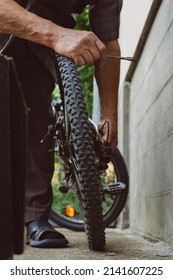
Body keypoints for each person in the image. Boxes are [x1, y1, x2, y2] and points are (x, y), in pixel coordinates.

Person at [0, 0, 123, 248]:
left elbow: (108, 40)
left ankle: (35, 216)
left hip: (40, 45)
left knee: (36, 122)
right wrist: (56, 34)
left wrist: (109, 114)